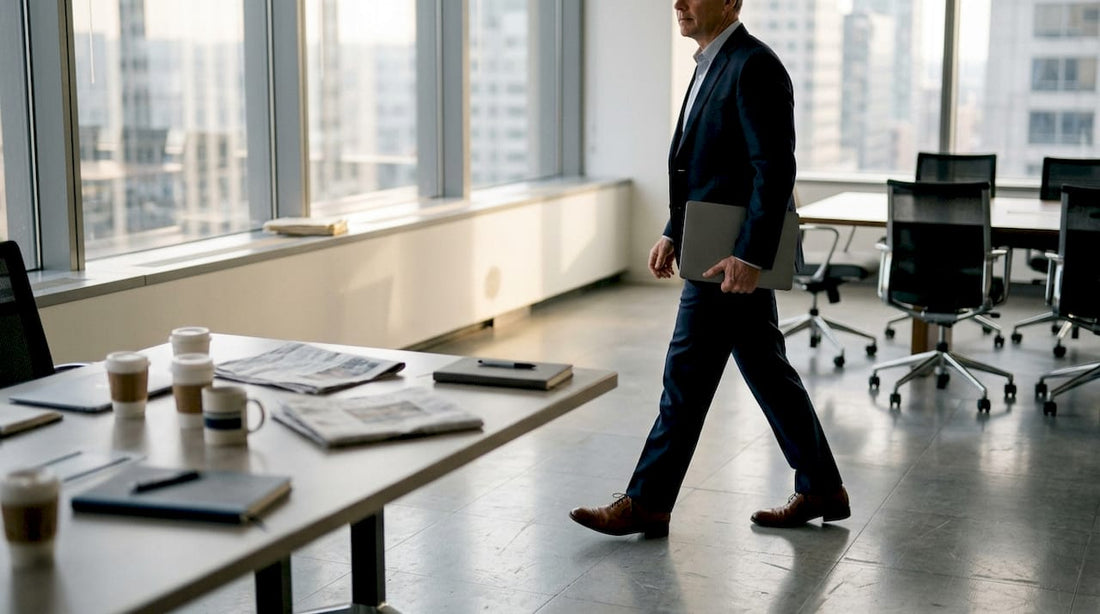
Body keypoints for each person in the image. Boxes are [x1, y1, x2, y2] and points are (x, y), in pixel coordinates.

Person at [570, 0, 848, 536]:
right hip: (712, 251)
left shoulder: (754, 65)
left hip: (728, 262)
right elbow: (706, 169)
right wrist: (675, 230)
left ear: (730, 2)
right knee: (768, 373)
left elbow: (773, 168)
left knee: (685, 379)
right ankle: (821, 487)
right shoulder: (708, 64)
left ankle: (648, 501)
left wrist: (750, 256)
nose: (678, 3)